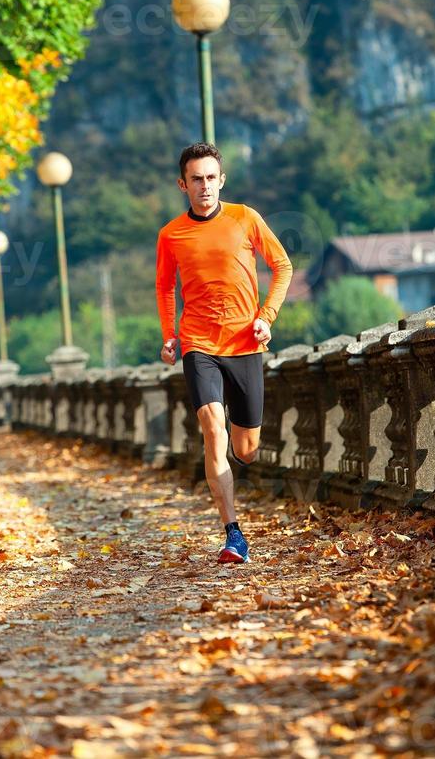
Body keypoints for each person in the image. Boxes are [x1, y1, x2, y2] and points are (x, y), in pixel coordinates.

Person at [155, 142, 293, 564]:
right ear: (183, 184)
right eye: (196, 179)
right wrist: (169, 335)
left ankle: (241, 451)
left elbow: (283, 266)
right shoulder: (171, 234)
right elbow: (165, 287)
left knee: (246, 448)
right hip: (198, 342)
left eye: (211, 178)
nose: (204, 186)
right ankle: (233, 534)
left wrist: (266, 316)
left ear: (221, 180)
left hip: (245, 344)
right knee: (213, 426)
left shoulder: (245, 218)